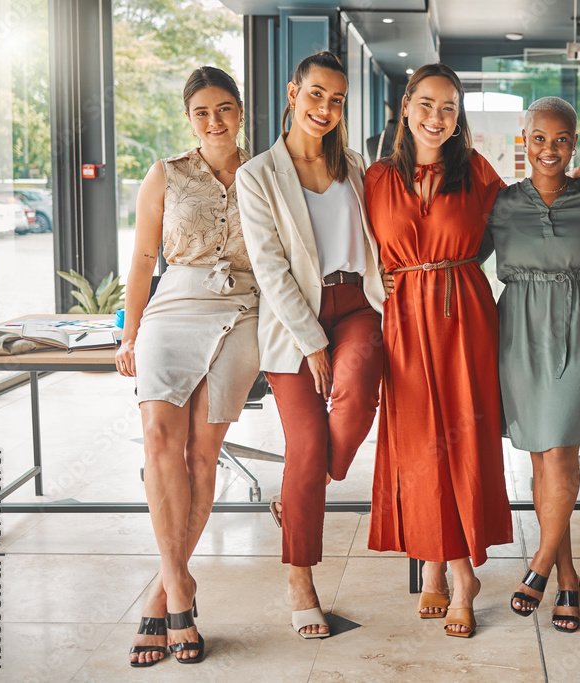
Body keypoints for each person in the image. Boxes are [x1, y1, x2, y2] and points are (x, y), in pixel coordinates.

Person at [236, 51, 384, 639]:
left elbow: (381, 233)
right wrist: (310, 341)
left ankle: (303, 495)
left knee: (354, 401)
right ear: (293, 94)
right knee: (306, 440)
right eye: (316, 95)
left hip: (357, 306)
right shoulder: (258, 175)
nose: (325, 108)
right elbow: (270, 269)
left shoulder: (354, 164)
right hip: (294, 316)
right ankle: (301, 579)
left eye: (337, 99)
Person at [363, 63, 513, 639]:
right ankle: (444, 564)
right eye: (426, 104)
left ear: (459, 118)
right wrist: (383, 284)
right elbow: (352, 246)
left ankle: (451, 568)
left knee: (460, 439)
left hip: (463, 314)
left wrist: (571, 185)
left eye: (448, 108)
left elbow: (520, 220)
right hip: (402, 320)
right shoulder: (375, 178)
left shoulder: (475, 170)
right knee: (418, 444)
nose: (436, 117)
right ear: (406, 107)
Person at [118, 66, 256, 665]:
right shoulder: (166, 174)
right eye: (202, 112)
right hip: (175, 304)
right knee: (158, 438)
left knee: (203, 453)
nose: (214, 121)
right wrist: (128, 332)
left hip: (243, 307)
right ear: (188, 119)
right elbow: (145, 257)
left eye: (224, 108)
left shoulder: (267, 172)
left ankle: (163, 595)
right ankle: (179, 590)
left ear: (241, 111)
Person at [478, 97, 580, 633]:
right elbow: (458, 251)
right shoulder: (502, 204)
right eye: (540, 138)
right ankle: (570, 576)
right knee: (540, 459)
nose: (550, 149)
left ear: (575, 142)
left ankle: (537, 568)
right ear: (524, 139)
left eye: (561, 139)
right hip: (519, 333)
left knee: (560, 454)